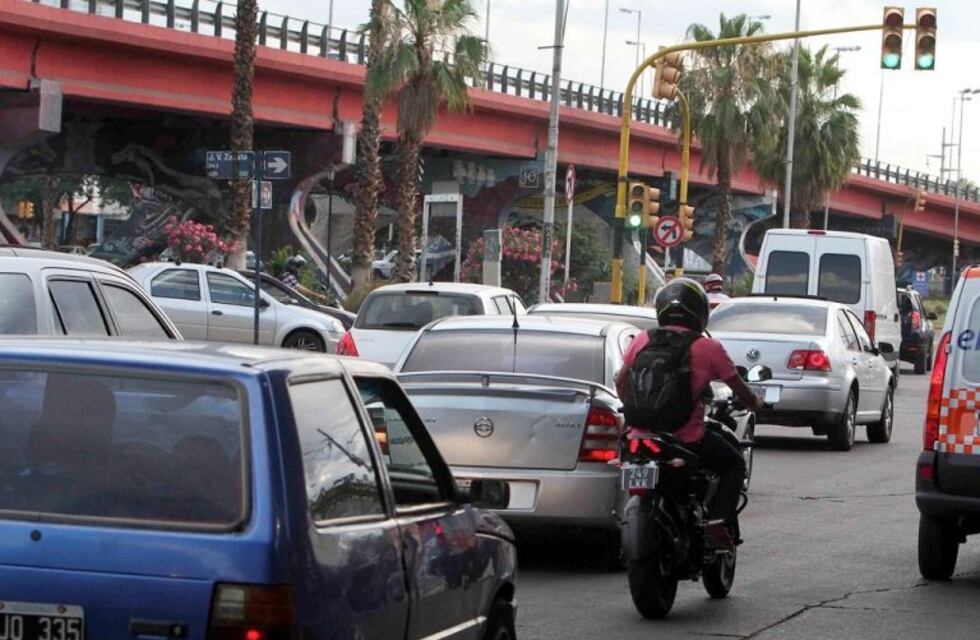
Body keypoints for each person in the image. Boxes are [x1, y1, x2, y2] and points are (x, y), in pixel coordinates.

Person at [615, 278, 762, 550]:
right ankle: (717, 522)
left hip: (638, 434)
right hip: (686, 439)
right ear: (700, 311)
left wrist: (635, 409)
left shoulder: (642, 339)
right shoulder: (708, 347)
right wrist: (755, 402)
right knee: (734, 464)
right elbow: (740, 390)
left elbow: (621, 380)